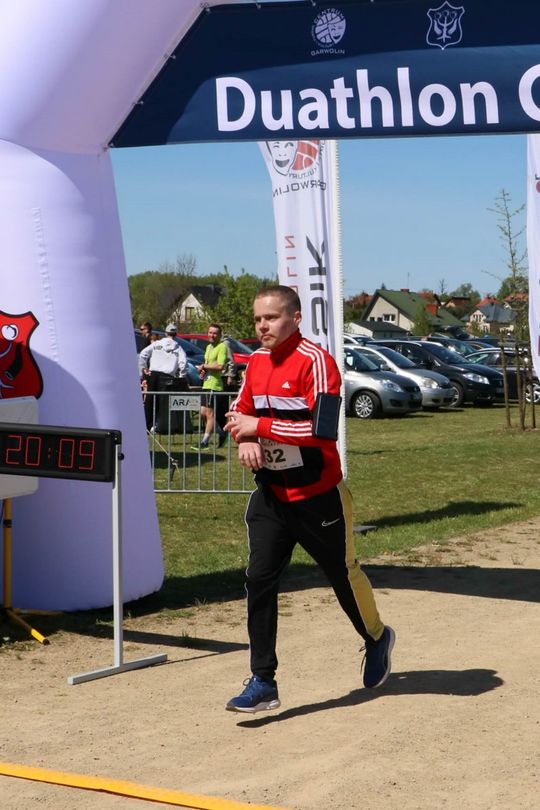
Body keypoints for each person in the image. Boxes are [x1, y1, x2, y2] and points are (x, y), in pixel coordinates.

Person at [224, 285, 394, 713]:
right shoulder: (255, 362)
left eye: (271, 318)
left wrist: (259, 428)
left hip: (319, 497)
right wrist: (246, 438)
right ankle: (263, 681)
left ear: (295, 318)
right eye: (258, 319)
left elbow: (322, 431)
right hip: (272, 496)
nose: (262, 326)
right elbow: (238, 414)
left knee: (342, 575)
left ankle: (376, 637)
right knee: (259, 579)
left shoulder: (317, 361)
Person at [139, 323, 188, 433]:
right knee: (163, 404)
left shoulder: (157, 344)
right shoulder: (178, 348)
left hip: (153, 375)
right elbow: (183, 364)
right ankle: (158, 426)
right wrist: (182, 376)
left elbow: (143, 354)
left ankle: (146, 425)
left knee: (150, 401)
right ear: (176, 334)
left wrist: (144, 368)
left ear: (165, 333)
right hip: (167, 377)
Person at [196, 323, 227, 449]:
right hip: (206, 383)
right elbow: (208, 364)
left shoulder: (222, 347)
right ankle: (220, 430)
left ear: (219, 335)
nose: (212, 335)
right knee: (202, 412)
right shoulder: (208, 347)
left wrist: (204, 366)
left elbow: (220, 366)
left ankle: (205, 442)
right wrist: (203, 371)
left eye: (215, 333)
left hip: (215, 385)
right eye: (210, 332)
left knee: (209, 414)